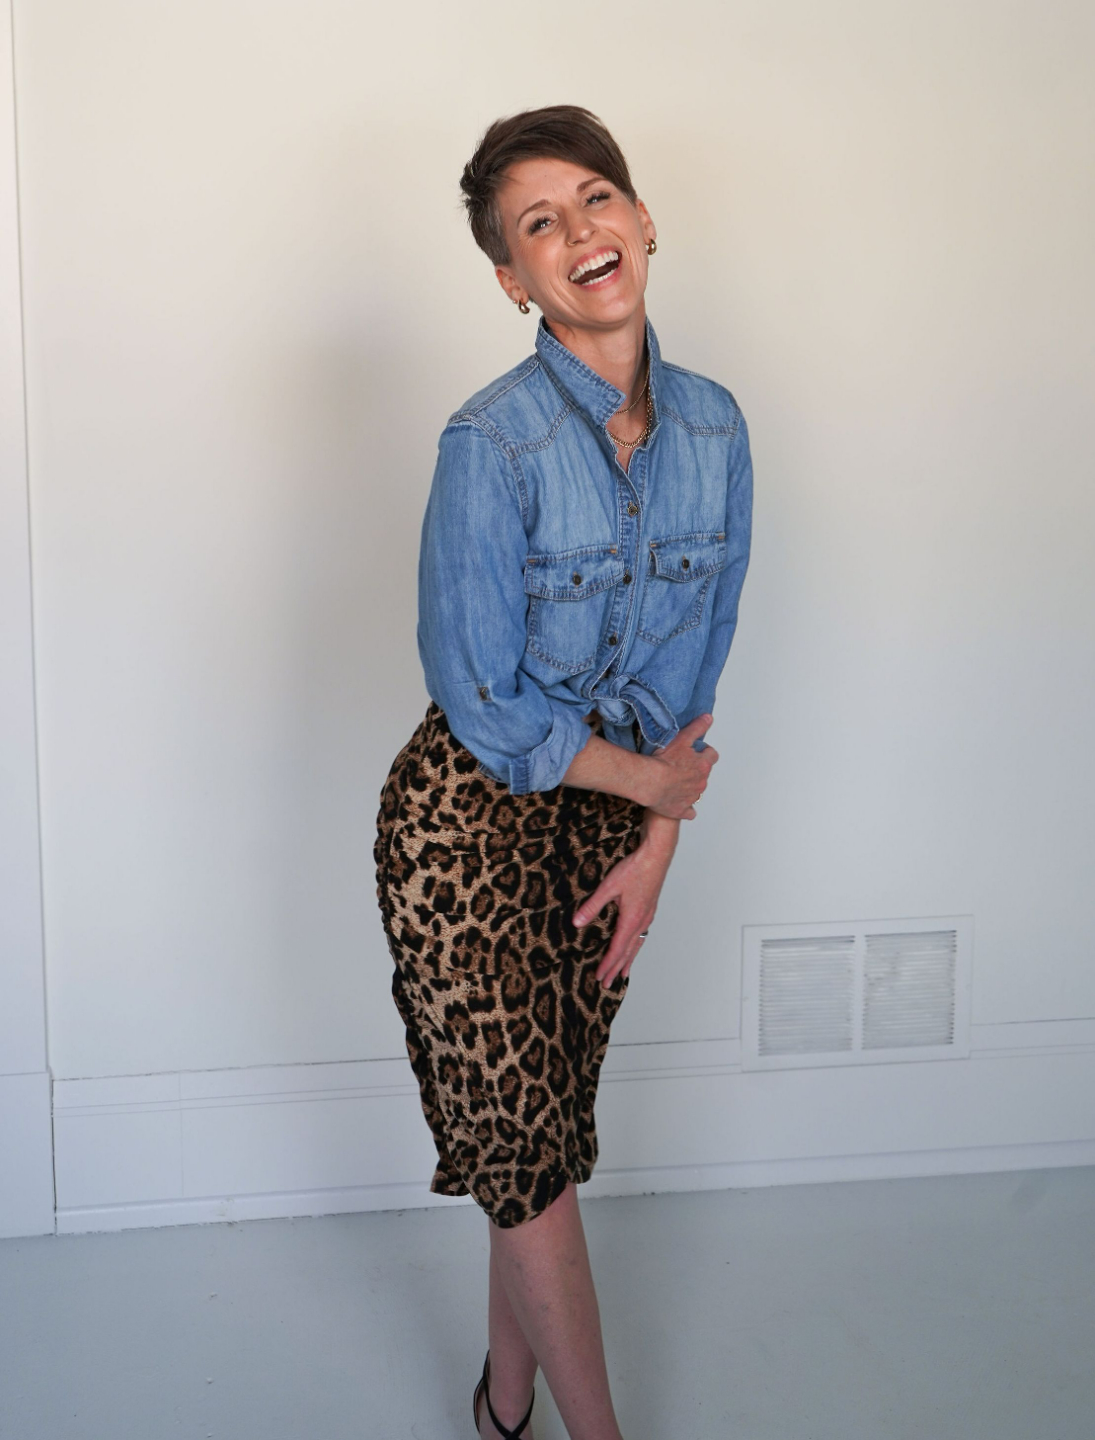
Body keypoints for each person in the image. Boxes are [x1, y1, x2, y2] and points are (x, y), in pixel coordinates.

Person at [374, 104, 753, 1440]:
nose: (580, 231)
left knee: (532, 1143)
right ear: (512, 279)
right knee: (527, 1154)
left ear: (642, 221)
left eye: (596, 198)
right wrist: (648, 796)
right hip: (467, 833)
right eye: (540, 223)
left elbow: (693, 678)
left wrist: (655, 845)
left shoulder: (716, 430)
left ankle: (502, 1405)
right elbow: (481, 696)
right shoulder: (490, 443)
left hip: (606, 834)